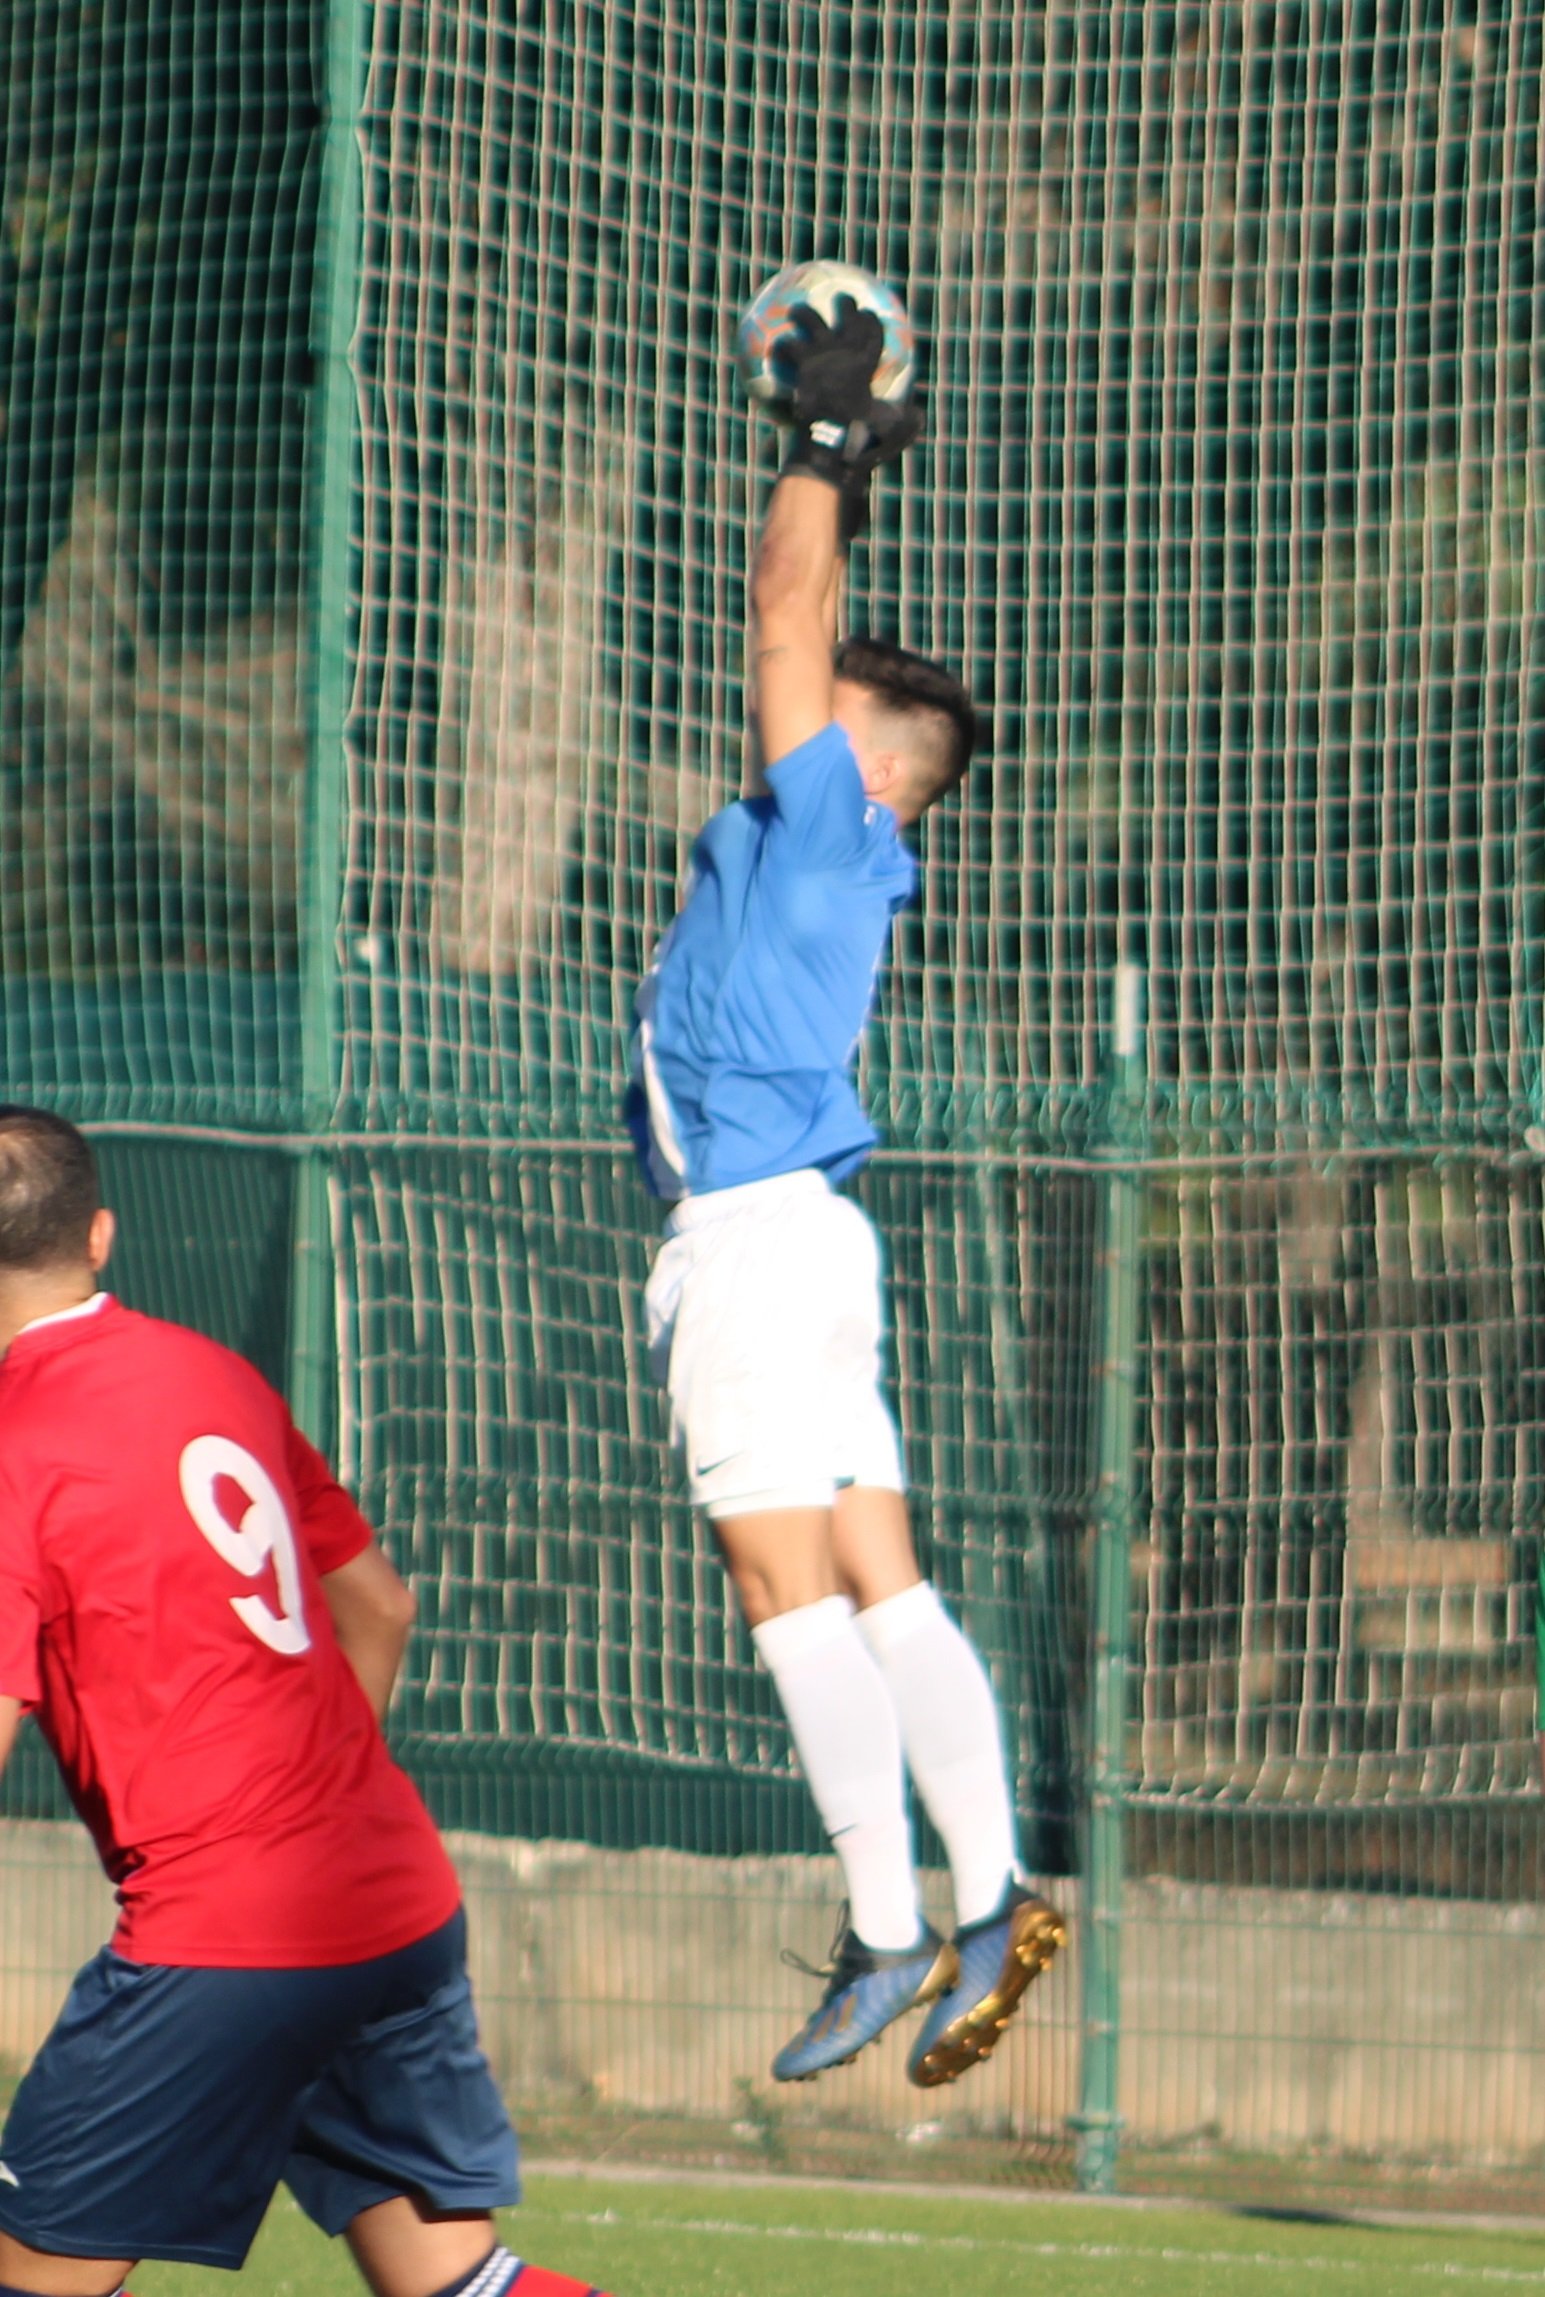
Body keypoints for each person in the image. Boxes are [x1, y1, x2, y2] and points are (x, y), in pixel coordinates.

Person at [626, 299, 1065, 2087]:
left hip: (754, 1243)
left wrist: (816, 433)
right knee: (884, 1579)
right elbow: (811, 614)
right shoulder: (837, 842)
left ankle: (890, 1926)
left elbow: (783, 611)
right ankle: (995, 1894)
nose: (796, 708)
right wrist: (853, 463)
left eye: (835, 714)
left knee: (785, 1589)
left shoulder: (826, 820)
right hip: (810, 1238)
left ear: (875, 765)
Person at [0, 1107, 607, 2297]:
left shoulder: (16, 1433)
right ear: (101, 1234)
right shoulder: (212, 1369)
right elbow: (381, 1602)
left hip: (227, 1935)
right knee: (455, 2278)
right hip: (390, 1889)